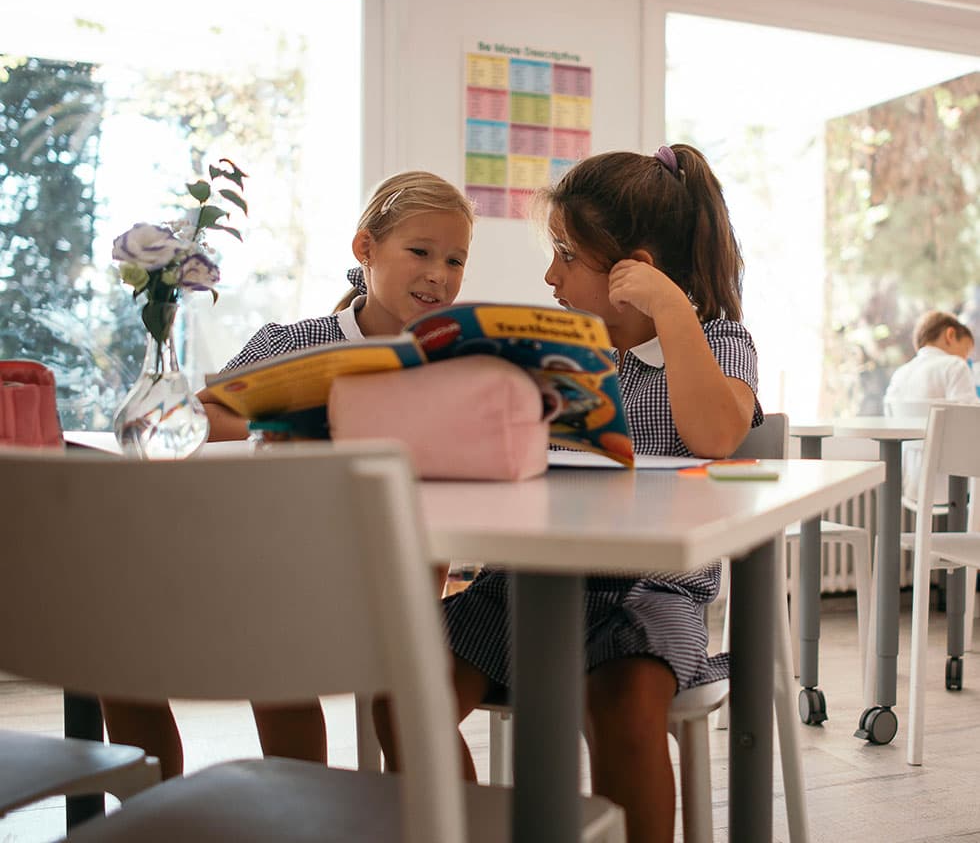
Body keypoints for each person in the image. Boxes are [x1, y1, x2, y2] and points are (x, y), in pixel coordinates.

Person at [373, 145, 763, 843]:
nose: (550, 276)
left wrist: (672, 311)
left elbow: (715, 436)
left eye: (566, 256)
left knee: (625, 707)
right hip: (527, 585)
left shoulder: (717, 341)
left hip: (651, 593)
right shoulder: (573, 351)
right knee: (398, 690)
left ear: (632, 269)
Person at [103, 169, 474, 779]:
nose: (440, 273)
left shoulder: (456, 361)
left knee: (269, 647)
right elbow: (203, 414)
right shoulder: (290, 342)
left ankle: (304, 810)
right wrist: (264, 414)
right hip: (270, 565)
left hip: (386, 586)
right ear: (366, 250)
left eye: (456, 260)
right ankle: (152, 812)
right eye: (421, 252)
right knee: (117, 646)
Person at [883, 309, 978, 506]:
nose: (966, 360)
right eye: (966, 351)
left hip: (911, 484)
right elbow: (970, 423)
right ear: (950, 335)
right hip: (954, 485)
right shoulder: (954, 366)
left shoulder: (901, 374)